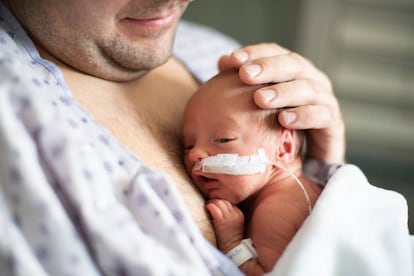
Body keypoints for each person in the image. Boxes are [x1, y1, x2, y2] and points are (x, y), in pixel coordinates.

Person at [2, 1, 410, 276]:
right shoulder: (14, 112)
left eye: (224, 141)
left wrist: (324, 164)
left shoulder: (230, 62)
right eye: (187, 146)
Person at [183, 70, 322, 275]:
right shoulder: (299, 188)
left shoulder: (276, 210)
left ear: (283, 148)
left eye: (224, 140)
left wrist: (232, 242)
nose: (195, 154)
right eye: (188, 145)